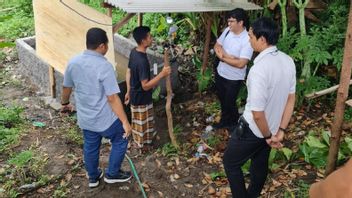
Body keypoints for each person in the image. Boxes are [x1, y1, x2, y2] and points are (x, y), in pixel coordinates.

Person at [223, 17, 296, 198]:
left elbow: (257, 113)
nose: (249, 39)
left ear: (262, 39)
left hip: (255, 130)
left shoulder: (259, 70)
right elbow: (291, 99)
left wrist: (268, 137)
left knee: (230, 162)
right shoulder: (288, 61)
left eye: (251, 36)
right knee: (259, 163)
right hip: (271, 127)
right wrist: (280, 130)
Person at [61, 27, 132, 188]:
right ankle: (112, 174)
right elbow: (112, 98)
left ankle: (93, 177)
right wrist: (125, 122)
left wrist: (65, 104)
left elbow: (66, 88)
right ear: (101, 46)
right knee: (121, 138)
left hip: (86, 119)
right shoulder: (104, 66)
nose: (107, 48)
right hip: (105, 119)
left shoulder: (73, 62)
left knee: (91, 146)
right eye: (107, 44)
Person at [124, 26, 171, 149]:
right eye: (150, 37)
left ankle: (145, 141)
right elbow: (145, 86)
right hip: (141, 97)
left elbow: (128, 71)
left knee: (142, 121)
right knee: (142, 122)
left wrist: (128, 90)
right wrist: (162, 74)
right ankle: (141, 145)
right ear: (143, 41)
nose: (152, 39)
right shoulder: (142, 61)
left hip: (135, 95)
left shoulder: (134, 51)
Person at [213, 8, 253, 130]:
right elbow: (217, 46)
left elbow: (241, 63)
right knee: (222, 99)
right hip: (221, 72)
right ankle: (225, 122)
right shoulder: (227, 31)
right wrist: (227, 57)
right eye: (228, 21)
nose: (228, 24)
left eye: (231, 21)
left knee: (230, 102)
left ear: (240, 23)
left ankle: (234, 124)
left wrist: (223, 57)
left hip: (234, 78)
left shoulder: (247, 39)